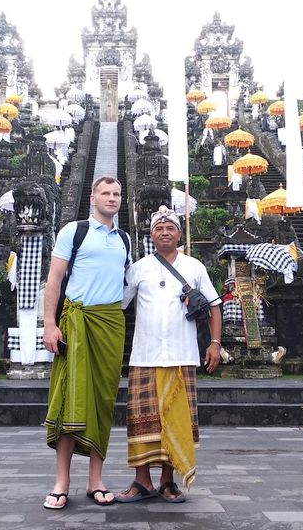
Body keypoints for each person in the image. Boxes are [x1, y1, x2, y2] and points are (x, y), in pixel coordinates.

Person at [116, 206, 222, 504]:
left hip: (182, 355)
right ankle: (141, 480)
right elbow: (118, 305)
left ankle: (167, 481)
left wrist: (214, 343)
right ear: (151, 235)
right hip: (144, 356)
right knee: (141, 420)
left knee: (174, 421)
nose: (164, 231)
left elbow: (214, 305)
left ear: (179, 234)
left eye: (170, 227)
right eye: (159, 228)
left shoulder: (194, 266)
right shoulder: (138, 268)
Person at [41, 175, 129, 510]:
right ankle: (62, 481)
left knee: (104, 400)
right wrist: (50, 324)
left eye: (117, 193)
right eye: (105, 193)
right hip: (76, 322)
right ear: (93, 198)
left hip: (110, 324)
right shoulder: (73, 232)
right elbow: (54, 279)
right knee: (68, 397)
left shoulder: (124, 239)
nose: (111, 198)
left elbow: (128, 284)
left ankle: (96, 479)